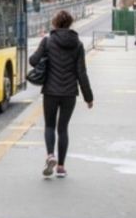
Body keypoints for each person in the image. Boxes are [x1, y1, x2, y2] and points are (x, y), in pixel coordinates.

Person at [28, 10, 94, 178]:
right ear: (70, 23)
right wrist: (89, 97)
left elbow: (33, 61)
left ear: (55, 23)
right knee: (63, 128)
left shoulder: (48, 41)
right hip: (69, 93)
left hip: (50, 91)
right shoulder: (77, 44)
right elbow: (82, 73)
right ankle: (61, 167)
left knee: (49, 125)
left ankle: (50, 155)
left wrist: (44, 53)